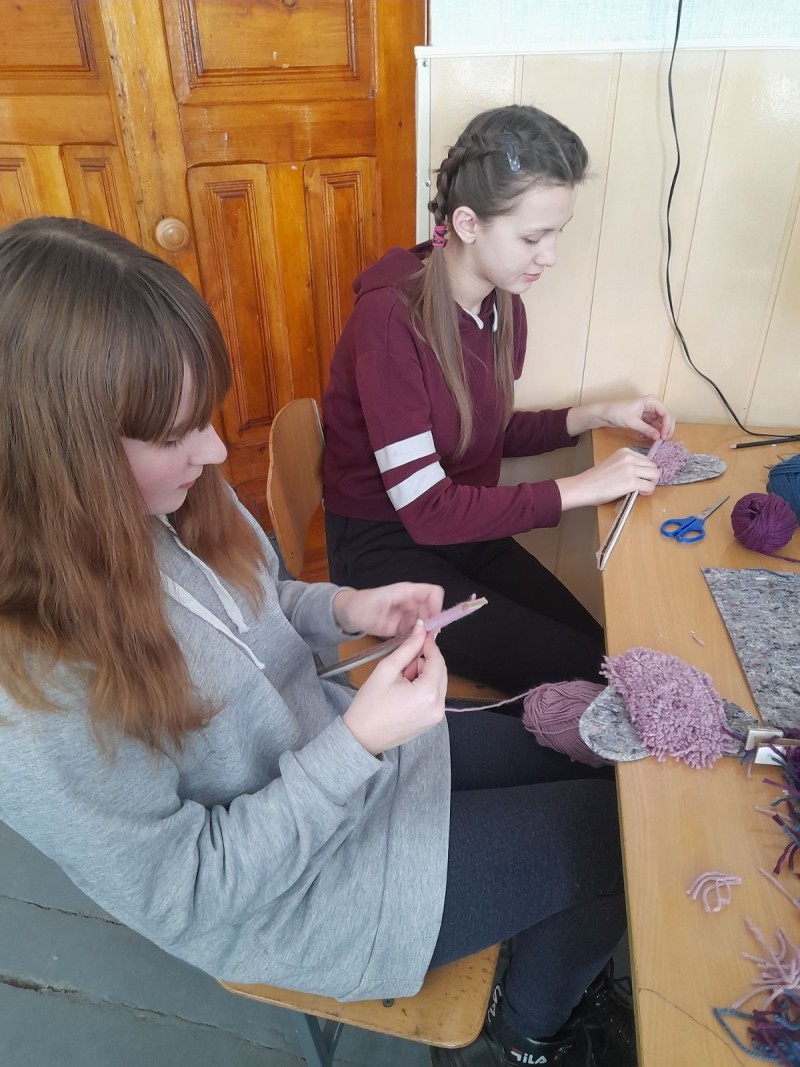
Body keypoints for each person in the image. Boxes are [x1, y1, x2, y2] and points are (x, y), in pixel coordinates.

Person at [0, 216, 634, 1067]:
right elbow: (192, 895)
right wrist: (357, 743)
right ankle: (526, 1040)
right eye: (175, 434)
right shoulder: (31, 705)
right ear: (54, 458)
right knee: (613, 839)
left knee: (599, 759)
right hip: (301, 893)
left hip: (338, 760)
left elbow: (254, 603)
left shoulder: (163, 505)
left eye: (204, 416)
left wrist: (348, 606)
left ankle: (542, 961)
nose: (214, 449)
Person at [322, 104, 675, 696]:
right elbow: (426, 507)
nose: (549, 256)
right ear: (467, 223)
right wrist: (579, 488)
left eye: (557, 233)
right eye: (533, 237)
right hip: (385, 547)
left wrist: (596, 415)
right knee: (589, 680)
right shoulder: (389, 324)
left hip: (458, 531)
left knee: (604, 655)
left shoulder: (498, 305)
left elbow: (480, 431)